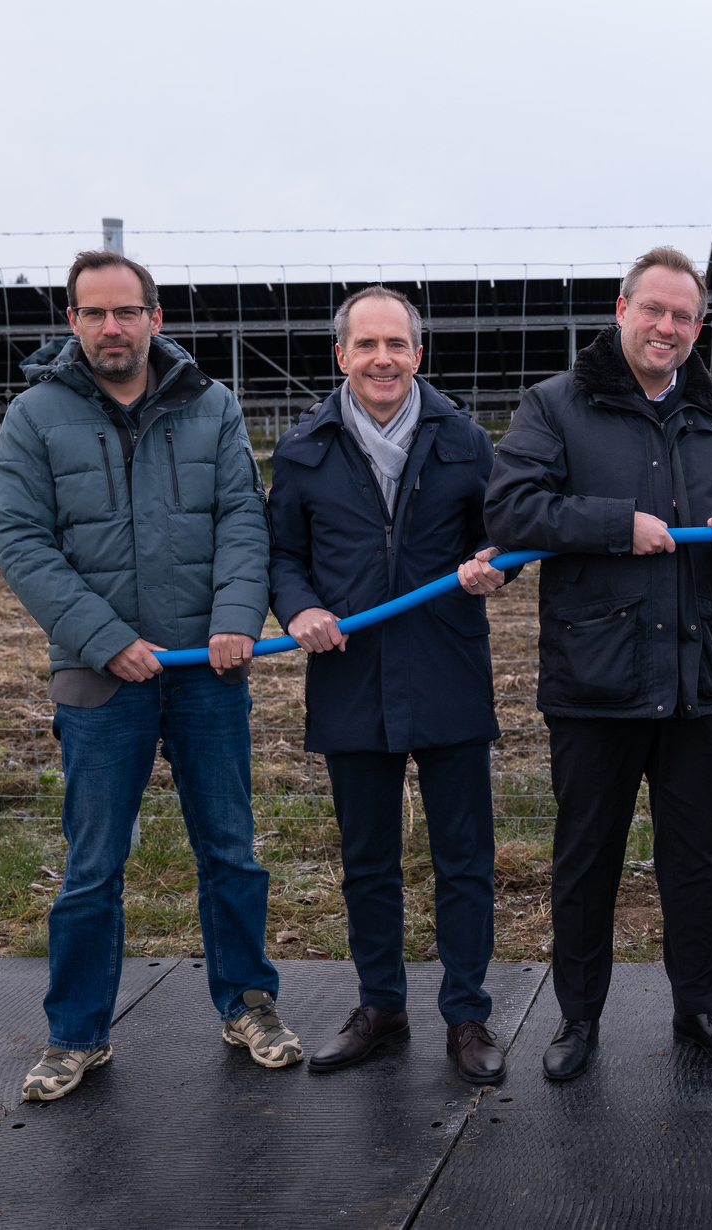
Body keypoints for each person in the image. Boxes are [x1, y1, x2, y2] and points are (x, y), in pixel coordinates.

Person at [0, 250, 299, 1100]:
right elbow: (21, 541)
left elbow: (243, 516)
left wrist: (237, 620)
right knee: (92, 862)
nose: (111, 328)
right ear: (73, 322)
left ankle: (247, 1002)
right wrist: (103, 638)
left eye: (127, 312)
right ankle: (77, 1033)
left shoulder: (212, 406)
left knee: (230, 849)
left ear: (156, 318)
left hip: (205, 672)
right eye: (94, 314)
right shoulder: (34, 416)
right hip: (100, 678)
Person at [483, 247, 712, 1081]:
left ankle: (701, 1011)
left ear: (698, 326)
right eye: (654, 310)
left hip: (693, 680)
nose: (668, 328)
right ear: (621, 311)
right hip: (595, 679)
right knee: (587, 858)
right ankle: (578, 1020)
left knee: (698, 858)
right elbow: (512, 508)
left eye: (684, 317)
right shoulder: (556, 405)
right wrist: (622, 524)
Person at [268, 286, 509, 1083]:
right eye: (365, 345)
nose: (382, 359)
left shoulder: (464, 440)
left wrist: (489, 566)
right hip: (350, 676)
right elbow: (282, 556)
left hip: (446, 669)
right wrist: (299, 606)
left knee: (464, 855)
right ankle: (381, 1006)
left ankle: (468, 1014)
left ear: (418, 354)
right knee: (367, 859)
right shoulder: (304, 450)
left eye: (396, 345)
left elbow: (501, 529)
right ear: (340, 356)